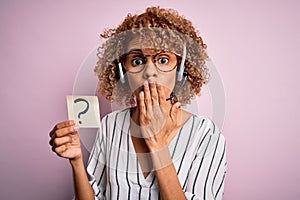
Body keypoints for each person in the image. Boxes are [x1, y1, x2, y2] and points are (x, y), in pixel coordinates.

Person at [49, 7, 226, 200]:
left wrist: (156, 143)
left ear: (182, 70)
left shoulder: (206, 135)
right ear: (123, 73)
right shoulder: (111, 125)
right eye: (137, 61)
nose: (149, 71)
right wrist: (76, 162)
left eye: (163, 59)